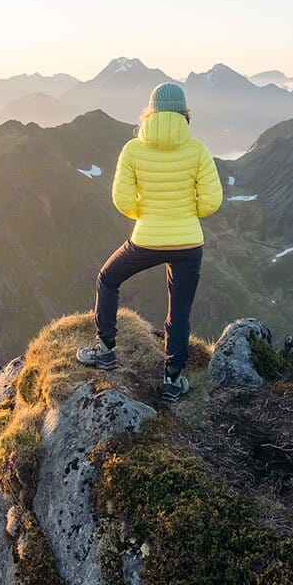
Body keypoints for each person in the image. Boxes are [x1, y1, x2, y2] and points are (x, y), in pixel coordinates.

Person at [76, 81, 223, 403]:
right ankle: (173, 380)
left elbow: (122, 199)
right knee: (180, 310)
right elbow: (211, 202)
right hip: (187, 243)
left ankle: (105, 351)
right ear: (185, 113)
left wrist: (147, 213)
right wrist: (185, 213)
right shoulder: (197, 149)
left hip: (146, 239)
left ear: (149, 112)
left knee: (108, 279)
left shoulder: (133, 149)